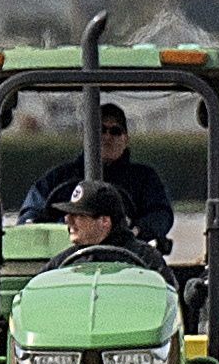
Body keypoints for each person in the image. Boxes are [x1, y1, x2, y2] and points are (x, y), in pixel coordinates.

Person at [15, 100, 174, 252]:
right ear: (88, 137)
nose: (107, 137)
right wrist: (67, 228)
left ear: (126, 139)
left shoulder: (144, 178)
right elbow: (29, 217)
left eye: (115, 131)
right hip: (65, 258)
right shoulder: (58, 179)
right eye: (100, 130)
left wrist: (136, 230)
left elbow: (161, 214)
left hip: (128, 258)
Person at [46, 181, 167, 276]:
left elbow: (167, 296)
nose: (67, 220)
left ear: (104, 221)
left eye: (79, 215)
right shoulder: (63, 261)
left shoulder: (146, 258)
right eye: (68, 213)